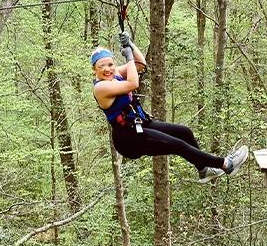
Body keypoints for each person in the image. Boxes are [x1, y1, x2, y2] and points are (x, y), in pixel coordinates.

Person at [92, 31, 248, 183]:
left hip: (140, 124)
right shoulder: (100, 88)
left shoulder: (115, 74)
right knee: (178, 145)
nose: (107, 69)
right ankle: (226, 164)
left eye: (110, 64)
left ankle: (203, 170)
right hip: (128, 138)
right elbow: (133, 83)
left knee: (184, 132)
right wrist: (129, 57)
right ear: (94, 69)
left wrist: (131, 45)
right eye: (101, 67)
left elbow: (140, 65)